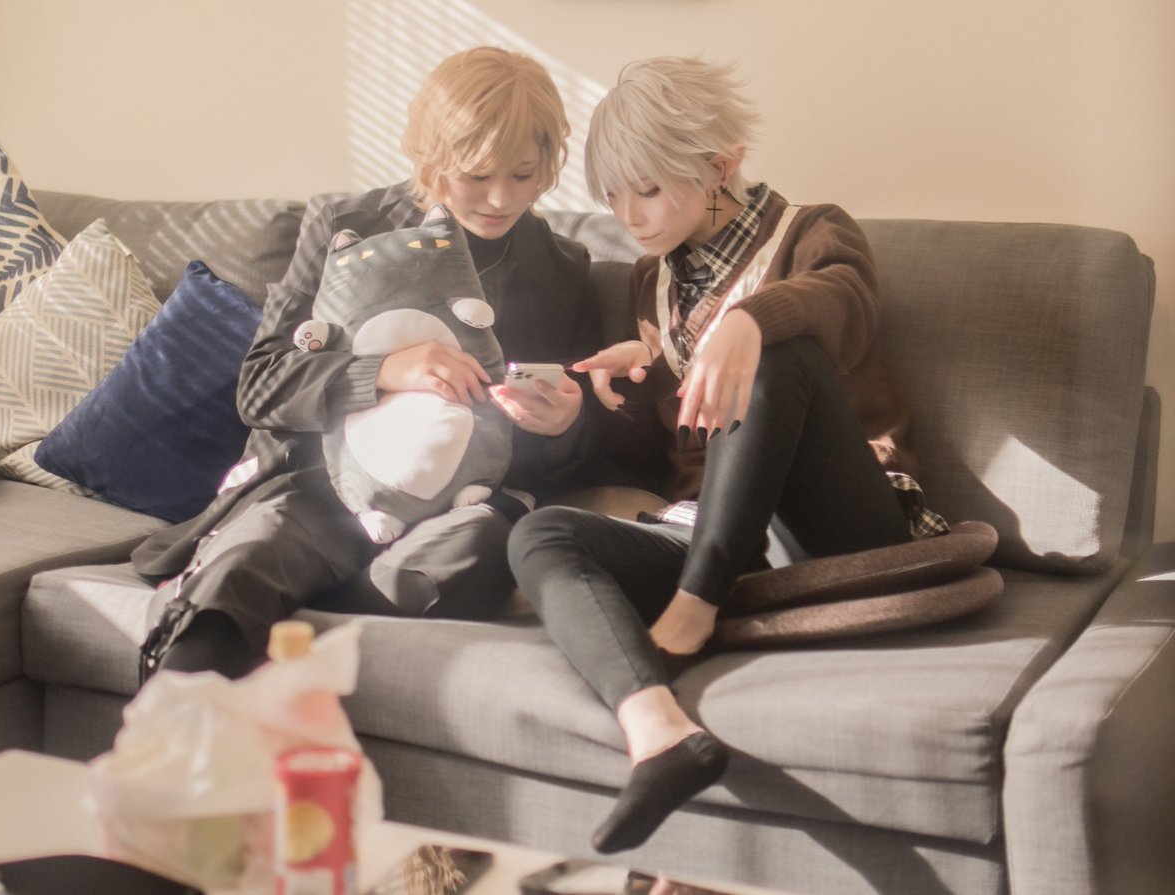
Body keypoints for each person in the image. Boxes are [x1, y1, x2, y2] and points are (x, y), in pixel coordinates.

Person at [507, 56, 945, 854]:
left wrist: (749, 322)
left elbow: (843, 302)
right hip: (722, 532)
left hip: (843, 527)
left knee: (781, 352)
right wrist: (603, 401)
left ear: (720, 166)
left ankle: (692, 611)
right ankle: (660, 734)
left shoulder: (814, 232)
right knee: (539, 535)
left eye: (648, 190)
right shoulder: (652, 281)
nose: (629, 216)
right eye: (612, 195)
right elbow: (666, 451)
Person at [133, 46, 605, 681]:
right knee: (244, 572)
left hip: (463, 503)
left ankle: (303, 644)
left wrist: (563, 426)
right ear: (430, 156)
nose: (501, 198)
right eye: (476, 175)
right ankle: (175, 715)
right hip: (323, 485)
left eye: (524, 175)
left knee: (462, 557)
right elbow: (261, 386)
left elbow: (580, 450)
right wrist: (383, 372)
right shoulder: (346, 227)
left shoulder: (561, 268)